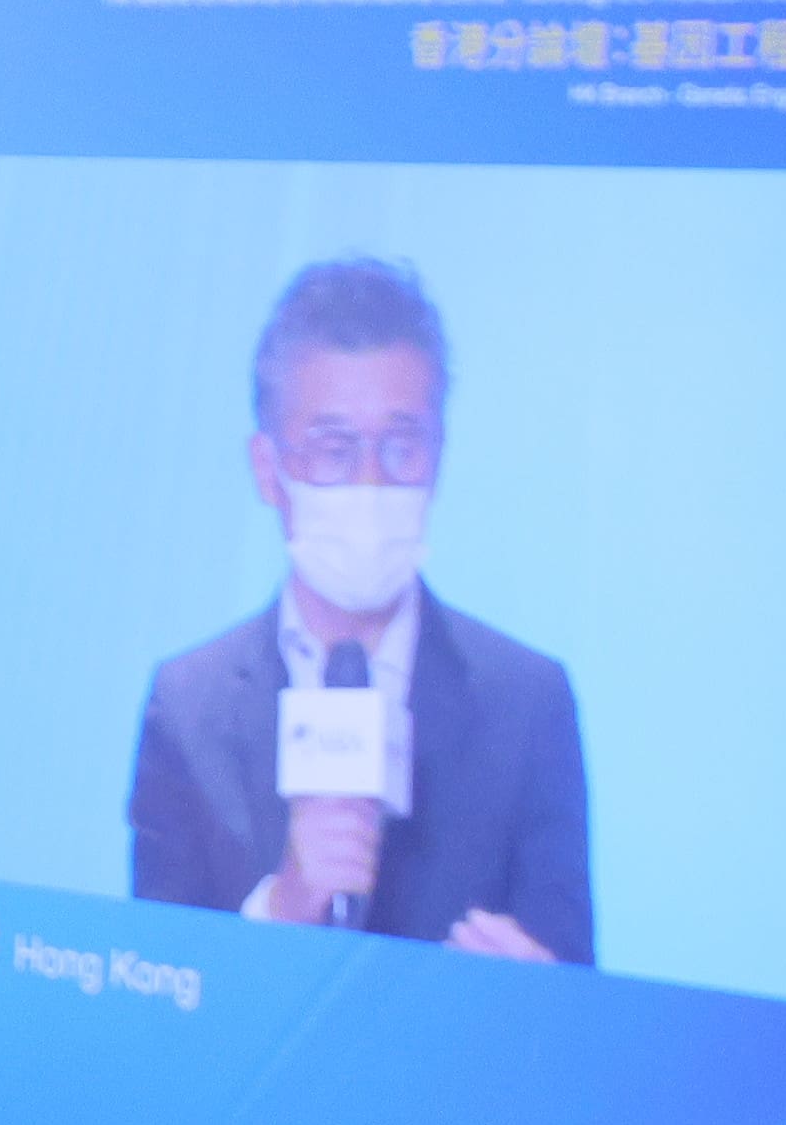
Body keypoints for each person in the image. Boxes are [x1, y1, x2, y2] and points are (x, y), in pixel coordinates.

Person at [128, 256, 591, 960]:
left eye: (402, 446)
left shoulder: (528, 702)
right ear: (268, 470)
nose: (372, 481)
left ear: (439, 457)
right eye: (335, 448)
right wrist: (278, 911)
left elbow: (580, 1001)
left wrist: (535, 1000)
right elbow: (153, 993)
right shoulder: (188, 708)